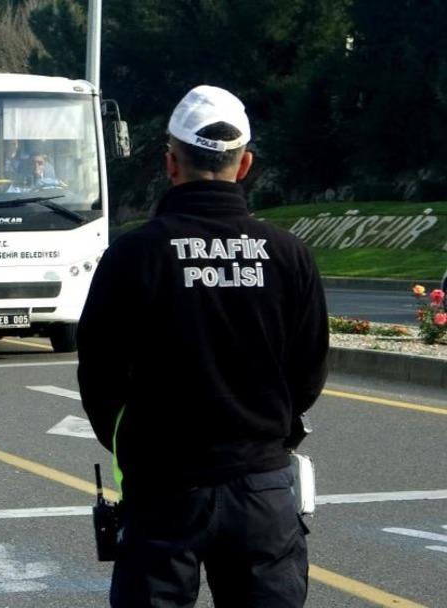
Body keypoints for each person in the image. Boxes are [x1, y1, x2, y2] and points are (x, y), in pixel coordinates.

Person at [76, 85, 328, 607]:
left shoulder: (134, 255)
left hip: (165, 486)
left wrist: (132, 444)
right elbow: (308, 374)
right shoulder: (288, 254)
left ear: (171, 163)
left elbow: (99, 375)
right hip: (262, 483)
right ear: (245, 165)